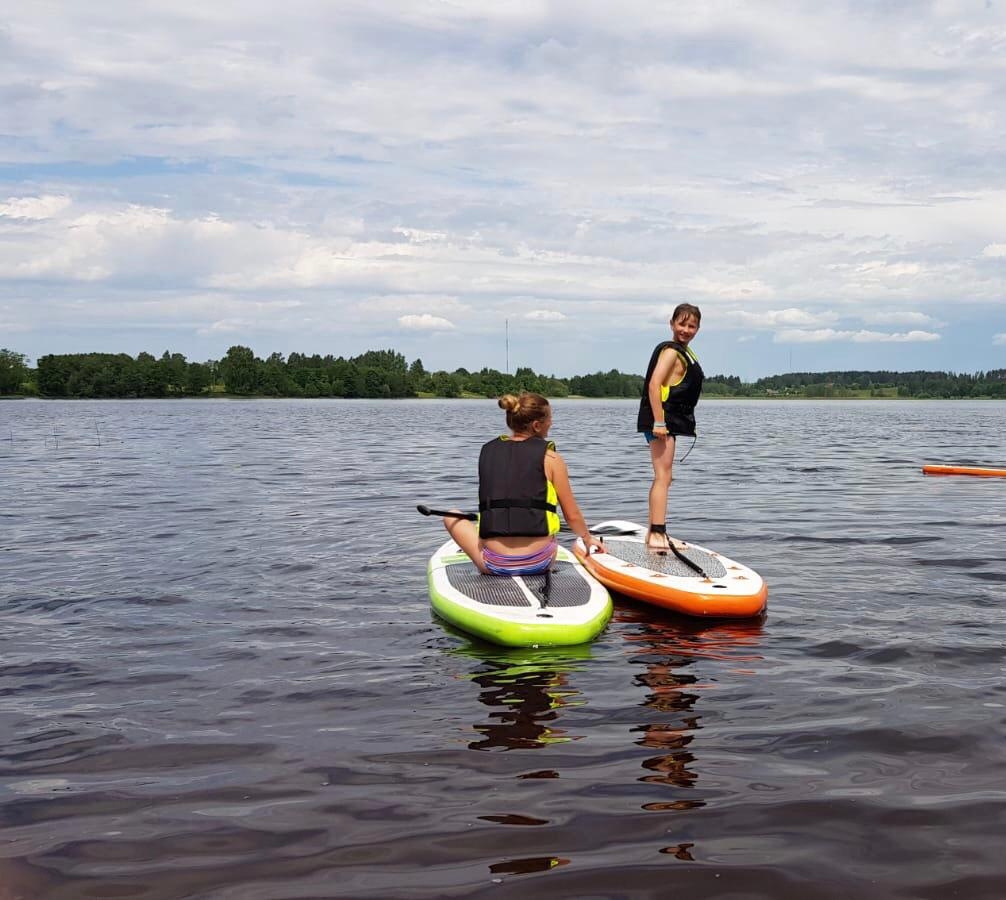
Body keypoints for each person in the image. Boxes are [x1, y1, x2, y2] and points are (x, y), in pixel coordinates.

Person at [444, 392, 606, 574]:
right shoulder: (552, 458)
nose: (551, 423)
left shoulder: (487, 452)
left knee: (451, 515)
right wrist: (587, 538)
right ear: (537, 425)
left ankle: (491, 552)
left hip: (494, 565)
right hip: (541, 563)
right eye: (550, 419)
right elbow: (572, 516)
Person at [636, 303, 704, 550]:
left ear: (698, 328)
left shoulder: (685, 352)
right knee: (663, 477)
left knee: (666, 477)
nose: (686, 329)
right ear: (672, 324)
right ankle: (656, 534)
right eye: (682, 324)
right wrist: (659, 422)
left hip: (667, 422)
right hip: (660, 423)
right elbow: (655, 386)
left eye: (692, 325)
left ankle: (658, 530)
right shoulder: (671, 352)